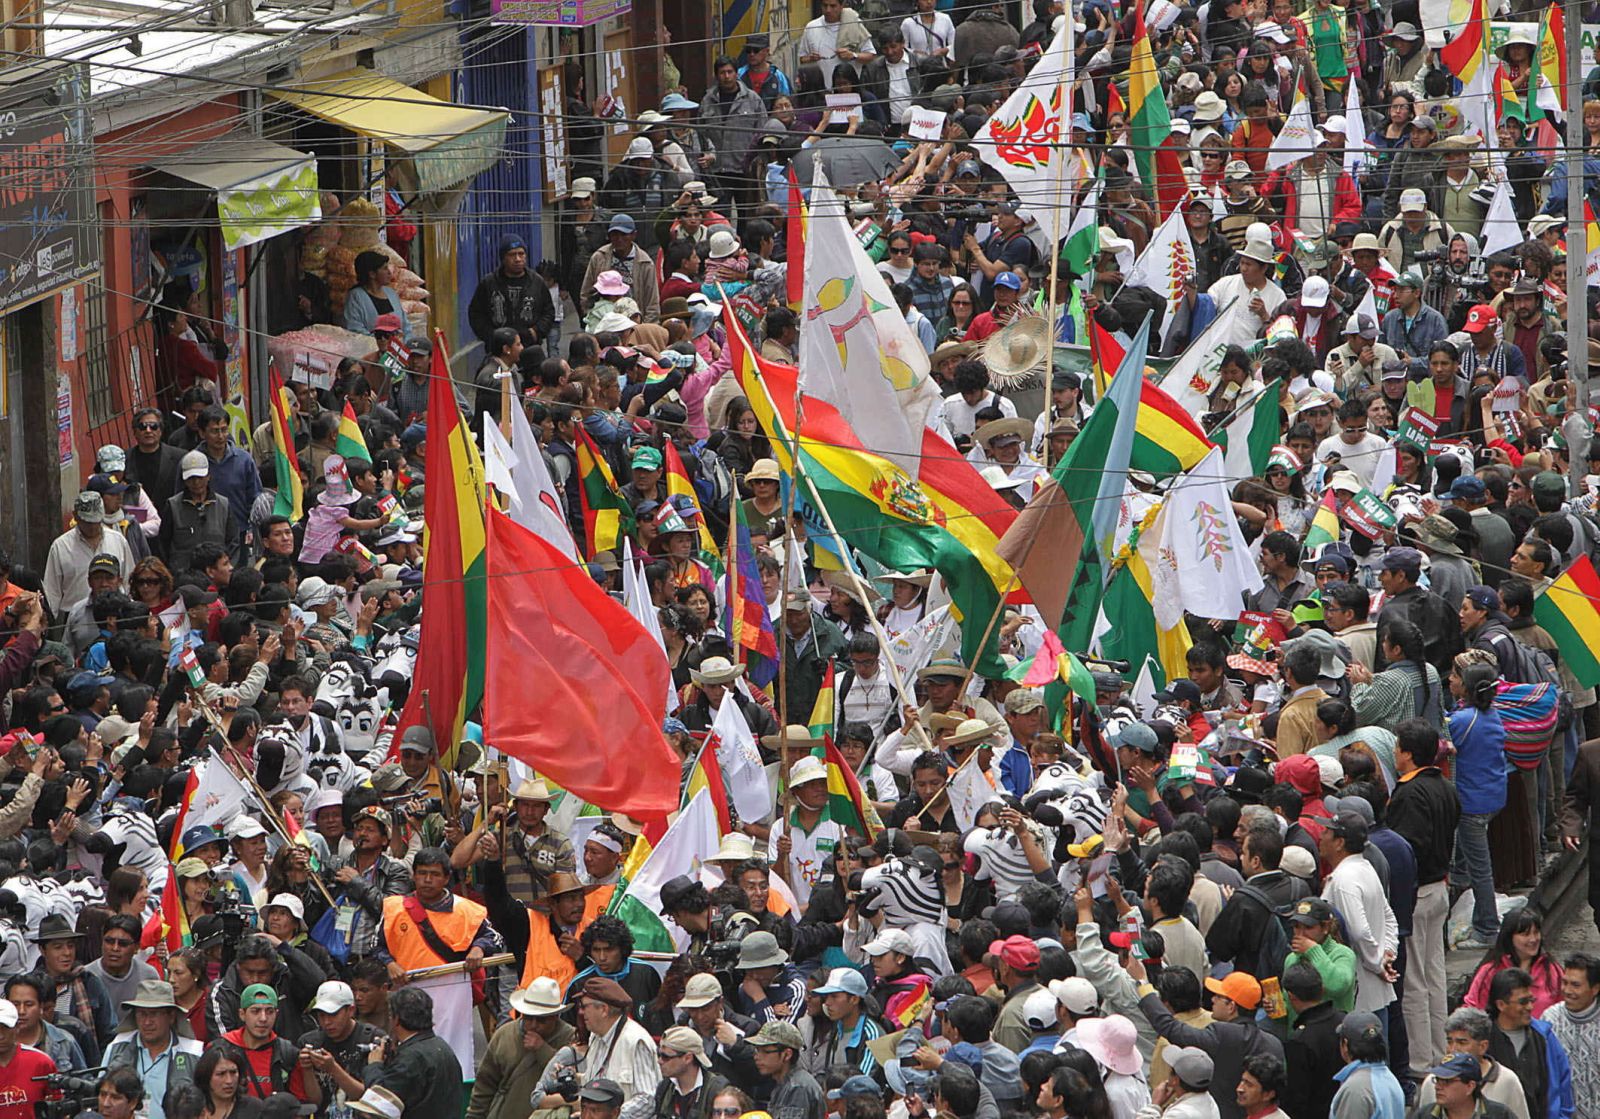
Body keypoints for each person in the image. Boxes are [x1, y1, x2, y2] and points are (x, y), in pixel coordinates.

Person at [469, 979, 575, 1119]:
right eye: (528, 1018)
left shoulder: (570, 1038)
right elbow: (484, 1085)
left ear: (555, 1017)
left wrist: (542, 1050)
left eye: (541, 1020)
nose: (533, 1025)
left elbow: (572, 1083)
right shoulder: (504, 1034)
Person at [103, 980, 204, 1119]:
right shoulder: (117, 1047)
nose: (147, 1022)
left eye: (154, 1014)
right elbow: (103, 1095)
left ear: (171, 1016)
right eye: (142, 1014)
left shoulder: (193, 1053)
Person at [362, 987, 463, 1119]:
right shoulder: (442, 1047)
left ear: (396, 1019)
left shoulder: (411, 1058)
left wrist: (374, 1066)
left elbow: (382, 1104)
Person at [1485, 969, 1574, 1119]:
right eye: (1523, 1002)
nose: (1530, 1007)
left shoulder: (1544, 1036)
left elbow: (1563, 1084)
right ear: (1501, 1004)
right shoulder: (1484, 1040)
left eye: (1531, 1000)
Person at [469, 235, 556, 350]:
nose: (518, 259)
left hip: (530, 347)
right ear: (503, 258)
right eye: (512, 255)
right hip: (499, 350)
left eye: (521, 254)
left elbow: (548, 311)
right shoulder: (489, 283)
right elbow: (476, 314)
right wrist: (492, 336)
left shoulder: (536, 282)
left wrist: (536, 332)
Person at [750, 1021, 824, 1119]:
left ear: (787, 1054)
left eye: (765, 1052)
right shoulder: (784, 1082)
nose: (757, 1057)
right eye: (757, 1050)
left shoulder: (797, 1087)